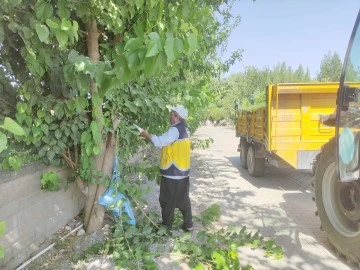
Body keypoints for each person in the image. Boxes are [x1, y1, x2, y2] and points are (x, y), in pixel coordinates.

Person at [139, 105, 193, 232]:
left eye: (172, 114)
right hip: (183, 172)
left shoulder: (174, 130)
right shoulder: (185, 129)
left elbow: (159, 142)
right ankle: (188, 225)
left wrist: (146, 135)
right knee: (184, 200)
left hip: (172, 172)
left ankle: (166, 228)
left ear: (177, 117)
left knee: (167, 200)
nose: (170, 115)